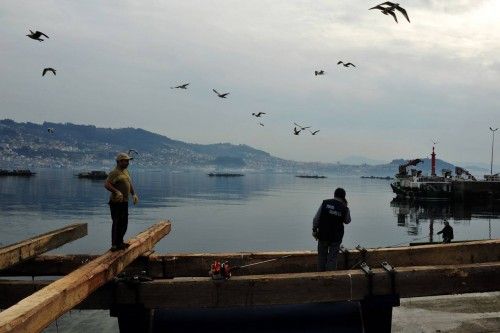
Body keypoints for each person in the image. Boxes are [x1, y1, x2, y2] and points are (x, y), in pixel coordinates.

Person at [104, 152, 139, 251]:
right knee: (117, 222)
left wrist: (133, 194)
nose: (128, 163)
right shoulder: (115, 172)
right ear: (119, 162)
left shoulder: (126, 171)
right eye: (126, 161)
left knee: (124, 223)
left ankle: (120, 242)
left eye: (128, 161)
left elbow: (129, 183)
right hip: (116, 202)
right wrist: (117, 191)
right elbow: (106, 184)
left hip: (125, 201)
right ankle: (114, 245)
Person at [312, 188, 351, 271]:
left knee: (321, 257)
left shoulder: (325, 203)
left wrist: (314, 230)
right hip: (336, 238)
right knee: (332, 258)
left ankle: (320, 276)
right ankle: (330, 278)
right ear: (344, 197)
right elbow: (347, 221)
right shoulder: (344, 208)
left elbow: (316, 219)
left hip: (323, 235)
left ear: (334, 194)